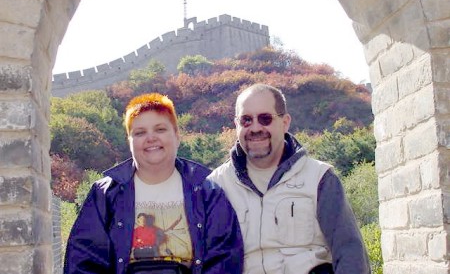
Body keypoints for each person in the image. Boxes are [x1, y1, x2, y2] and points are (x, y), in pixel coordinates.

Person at [64, 93, 243, 274]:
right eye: (140, 132)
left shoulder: (208, 192)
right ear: (130, 141)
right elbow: (83, 261)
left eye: (160, 129)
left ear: (177, 136)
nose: (151, 138)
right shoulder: (105, 194)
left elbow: (225, 258)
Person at [208, 83, 371, 274]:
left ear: (285, 122)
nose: (255, 128)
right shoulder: (216, 186)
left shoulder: (320, 178)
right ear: (236, 124)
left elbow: (350, 253)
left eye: (265, 118)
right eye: (246, 120)